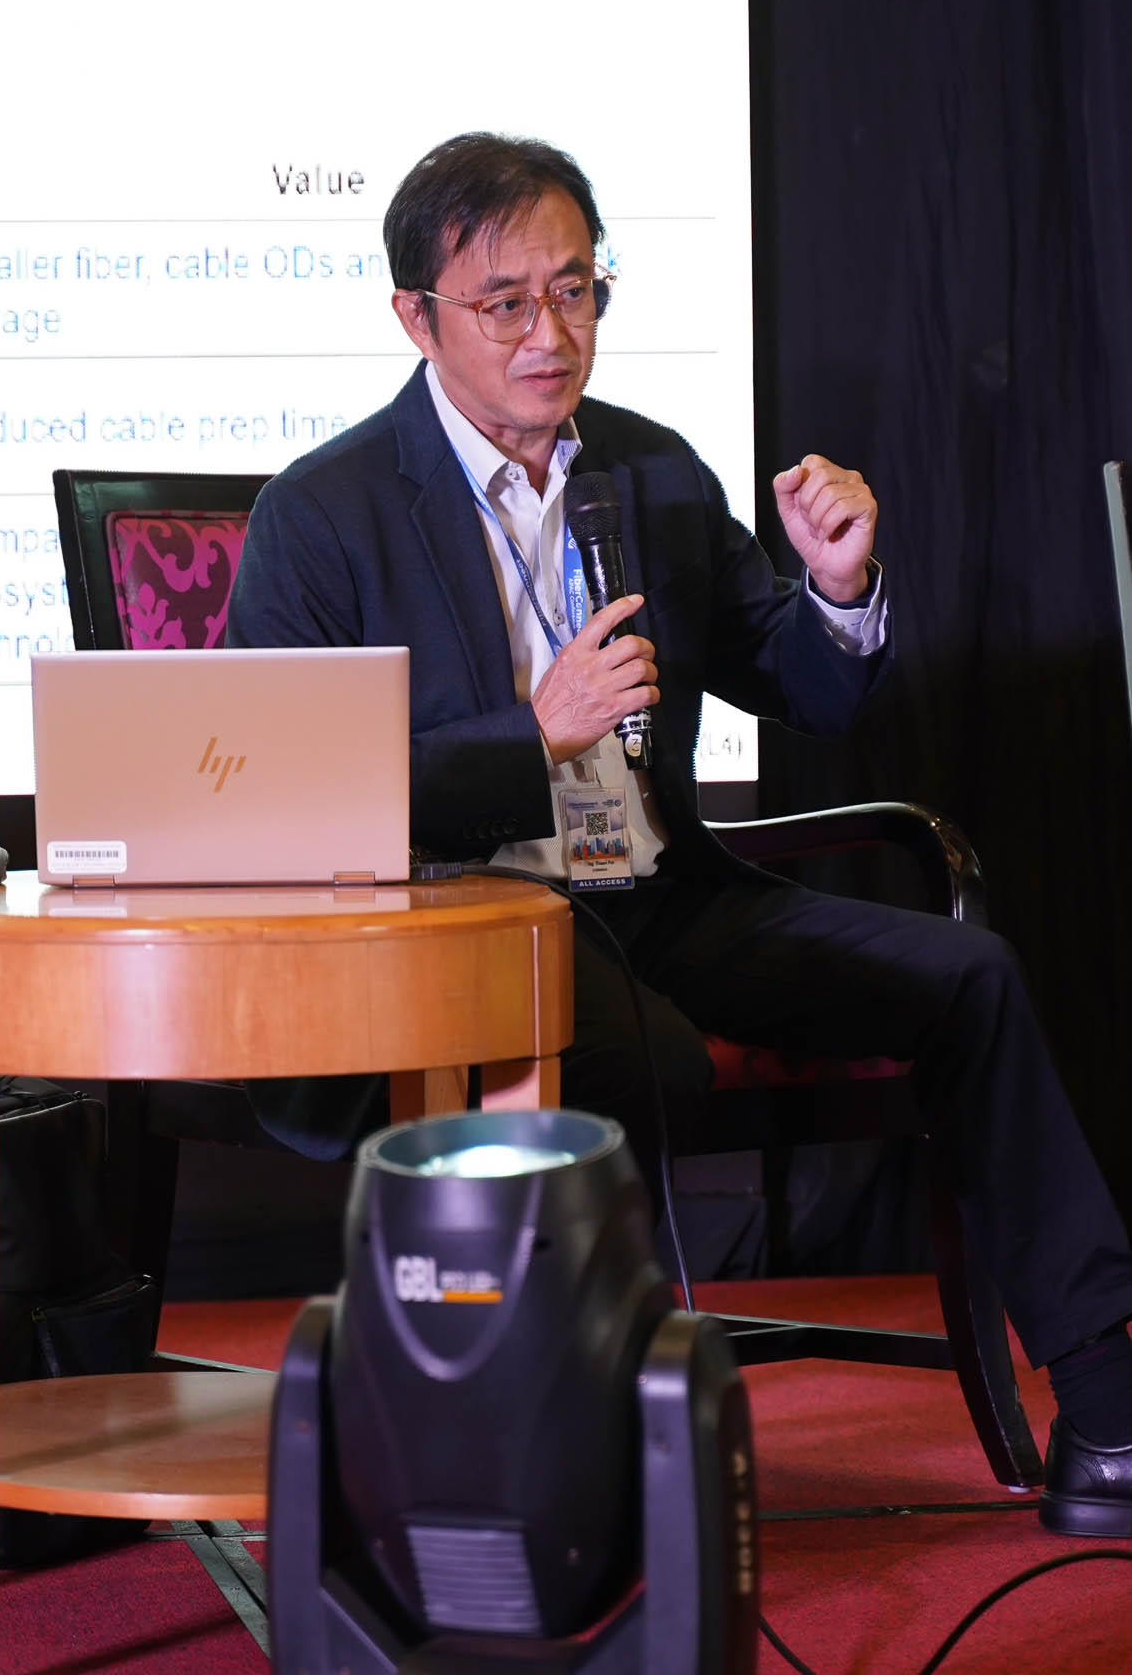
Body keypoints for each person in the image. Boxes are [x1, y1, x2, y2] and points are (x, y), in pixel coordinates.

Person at [227, 130, 1132, 1536]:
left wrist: (837, 591)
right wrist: (530, 735)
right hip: (471, 922)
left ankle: (1105, 1405)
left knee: (969, 976)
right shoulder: (324, 512)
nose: (551, 334)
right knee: (629, 1050)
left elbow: (804, 684)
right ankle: (591, 1456)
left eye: (575, 289)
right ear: (416, 316)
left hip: (666, 895)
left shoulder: (649, 472)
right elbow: (285, 792)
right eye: (506, 303)